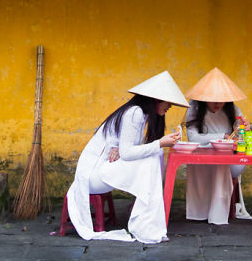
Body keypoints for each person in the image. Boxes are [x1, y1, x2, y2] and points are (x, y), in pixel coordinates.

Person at [66, 70, 188, 243]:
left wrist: (117, 147)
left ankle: (146, 215)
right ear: (156, 99)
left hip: (103, 167)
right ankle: (145, 223)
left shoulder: (139, 113)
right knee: (154, 155)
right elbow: (128, 153)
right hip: (92, 176)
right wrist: (159, 143)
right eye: (168, 102)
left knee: (155, 154)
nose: (170, 107)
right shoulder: (135, 113)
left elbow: (122, 147)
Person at [184, 67, 252, 225]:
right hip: (202, 156)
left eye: (222, 99)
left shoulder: (234, 109)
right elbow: (193, 138)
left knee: (220, 162)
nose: (217, 103)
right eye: (213, 99)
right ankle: (201, 211)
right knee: (206, 161)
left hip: (230, 160)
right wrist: (222, 136)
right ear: (203, 97)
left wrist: (246, 129)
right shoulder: (194, 108)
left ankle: (217, 211)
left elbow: (241, 137)